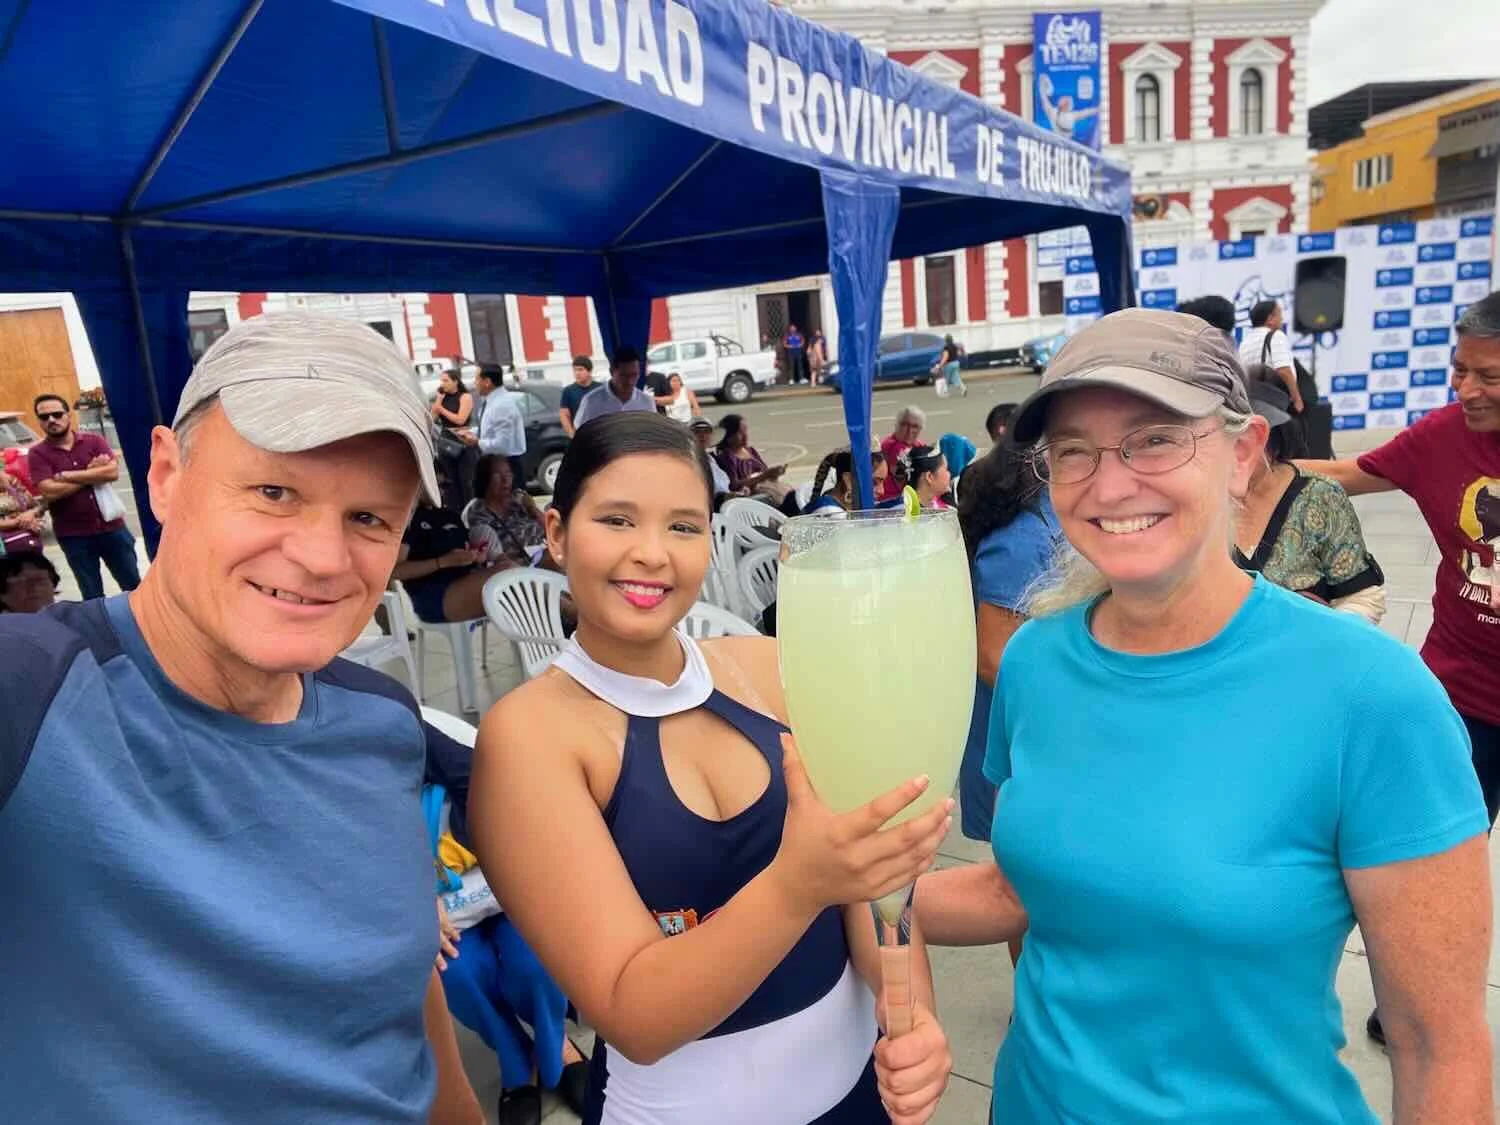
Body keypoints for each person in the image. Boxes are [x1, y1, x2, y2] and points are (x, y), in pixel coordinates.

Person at [915, 307, 1492, 1125]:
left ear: (1243, 453)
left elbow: (1439, 1049)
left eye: (1154, 439)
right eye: (1074, 450)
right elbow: (1021, 886)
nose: (1110, 483)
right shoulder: (1035, 663)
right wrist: (843, 887)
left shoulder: (1372, 697)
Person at [0, 313, 484, 1124]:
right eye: (274, 491)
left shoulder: (385, 722)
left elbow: (404, 1002)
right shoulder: (32, 690)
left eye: (369, 517)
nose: (322, 556)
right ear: (164, 474)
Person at [468, 412, 954, 1125]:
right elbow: (635, 1013)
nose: (652, 553)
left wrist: (915, 1014)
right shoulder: (528, 738)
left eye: (684, 527)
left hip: (862, 1098)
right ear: (557, 533)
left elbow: (871, 889)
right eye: (617, 520)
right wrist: (796, 886)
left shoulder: (770, 668)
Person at [1299, 291, 1500, 1047]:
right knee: (1430, 863)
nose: (1466, 389)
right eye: (1460, 369)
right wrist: (1239, 460)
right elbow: (1345, 473)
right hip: (1461, 693)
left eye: (1488, 376)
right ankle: (1413, 1004)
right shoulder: (1443, 437)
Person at [954, 440, 1059, 842]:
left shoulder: (1046, 518)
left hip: (1026, 733)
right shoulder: (1019, 543)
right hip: (1016, 735)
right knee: (1018, 850)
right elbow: (992, 659)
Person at [1235, 377, 1385, 622]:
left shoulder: (1319, 495)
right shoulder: (1199, 498)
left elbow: (1362, 596)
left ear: (1272, 441)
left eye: (1241, 440)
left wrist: (1321, 636)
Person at [26, 392, 141, 599]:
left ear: (68, 415)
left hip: (113, 529)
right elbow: (49, 490)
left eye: (57, 414)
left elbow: (111, 473)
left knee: (134, 587)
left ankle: (138, 620)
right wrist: (91, 473)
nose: (51, 420)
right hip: (74, 536)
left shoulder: (94, 442)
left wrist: (67, 476)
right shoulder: (37, 454)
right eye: (44, 417)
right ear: (39, 421)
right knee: (91, 594)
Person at [468, 455, 548, 569]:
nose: (505, 480)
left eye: (508, 474)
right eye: (497, 475)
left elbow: (549, 530)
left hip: (541, 556)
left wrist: (533, 509)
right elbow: (493, 550)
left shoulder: (519, 501)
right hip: (512, 568)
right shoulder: (478, 511)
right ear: (484, 479)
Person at [715, 414, 797, 514]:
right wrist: (764, 476)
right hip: (755, 496)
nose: (745, 436)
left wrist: (774, 473)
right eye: (740, 433)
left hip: (769, 487)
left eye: (746, 431)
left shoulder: (750, 451)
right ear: (729, 436)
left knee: (794, 496)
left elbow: (765, 471)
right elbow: (734, 485)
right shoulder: (727, 457)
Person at [1239, 299, 1307, 416]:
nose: (1282, 319)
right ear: (1270, 319)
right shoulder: (1276, 335)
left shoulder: (1244, 343)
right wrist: (1297, 399)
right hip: (1274, 402)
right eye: (1279, 314)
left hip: (1252, 403)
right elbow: (1283, 370)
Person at [472, 364, 528, 489]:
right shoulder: (492, 401)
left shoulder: (501, 405)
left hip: (505, 467)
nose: (474, 383)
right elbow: (489, 430)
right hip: (495, 465)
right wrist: (470, 432)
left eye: (476, 379)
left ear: (487, 382)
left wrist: (477, 442)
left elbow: (502, 446)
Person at [572, 347, 658, 428]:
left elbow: (653, 432)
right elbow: (580, 432)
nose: (630, 381)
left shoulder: (647, 402)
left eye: (634, 375)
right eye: (623, 376)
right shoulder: (591, 401)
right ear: (611, 372)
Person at [432, 366, 480, 507]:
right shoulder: (442, 398)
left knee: (467, 480)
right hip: (446, 439)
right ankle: (455, 511)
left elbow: (460, 419)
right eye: (441, 381)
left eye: (446, 381)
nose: (443, 384)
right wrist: (439, 401)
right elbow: (432, 418)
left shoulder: (465, 397)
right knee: (450, 480)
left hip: (462, 439)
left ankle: (470, 509)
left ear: (455, 381)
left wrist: (441, 409)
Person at [805, 450, 888, 515]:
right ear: (848, 480)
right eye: (873, 482)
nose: (882, 491)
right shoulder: (832, 512)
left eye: (883, 483)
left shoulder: (840, 507)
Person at [878, 445, 950, 511]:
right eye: (946, 469)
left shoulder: (941, 508)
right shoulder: (898, 512)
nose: (949, 474)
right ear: (929, 477)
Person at [690, 417, 739, 506]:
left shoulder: (711, 459)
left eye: (706, 431)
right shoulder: (689, 460)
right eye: (697, 431)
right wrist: (725, 497)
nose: (702, 435)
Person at [879, 406, 925, 501]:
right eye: (904, 425)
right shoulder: (893, 446)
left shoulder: (919, 444)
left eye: (915, 426)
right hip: (893, 500)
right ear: (896, 425)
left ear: (921, 429)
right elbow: (906, 483)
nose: (909, 431)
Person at [0, 462, 45, 554]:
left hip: (28, 542)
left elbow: (37, 506)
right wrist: (19, 521)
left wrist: (31, 513)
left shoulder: (11, 480)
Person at [559, 355, 597, 438]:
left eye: (580, 369)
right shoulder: (569, 391)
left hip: (599, 434)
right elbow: (564, 415)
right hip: (580, 435)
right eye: (575, 370)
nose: (577, 373)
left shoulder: (600, 389)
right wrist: (572, 434)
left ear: (590, 371)